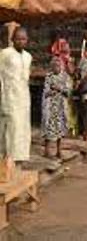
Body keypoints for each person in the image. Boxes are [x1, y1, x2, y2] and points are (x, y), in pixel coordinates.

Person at [0, 27, 33, 162]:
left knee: (22, 128)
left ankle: (20, 158)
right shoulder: (5, 54)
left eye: (23, 39)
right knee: (10, 127)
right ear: (12, 39)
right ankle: (7, 158)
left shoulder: (28, 56)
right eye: (18, 38)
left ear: (27, 41)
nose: (20, 41)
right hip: (9, 97)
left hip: (23, 98)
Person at [41, 57, 70, 159]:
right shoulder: (49, 76)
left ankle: (59, 150)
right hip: (51, 106)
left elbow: (68, 91)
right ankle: (47, 150)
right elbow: (45, 91)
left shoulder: (65, 76)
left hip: (60, 107)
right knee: (48, 128)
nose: (56, 68)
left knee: (60, 129)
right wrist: (50, 92)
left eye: (58, 66)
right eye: (54, 66)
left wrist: (60, 89)